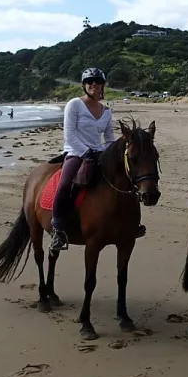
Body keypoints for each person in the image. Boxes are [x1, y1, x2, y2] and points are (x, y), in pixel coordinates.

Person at [50, 67, 146, 251]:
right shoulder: (74, 105)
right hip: (76, 153)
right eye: (89, 81)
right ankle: (58, 228)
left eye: (97, 81)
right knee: (65, 184)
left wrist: (107, 152)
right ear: (84, 85)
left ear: (102, 86)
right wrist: (86, 152)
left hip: (99, 154)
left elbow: (109, 138)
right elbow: (69, 135)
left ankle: (131, 224)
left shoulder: (106, 111)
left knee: (126, 180)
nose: (93, 84)